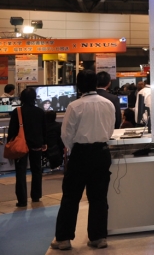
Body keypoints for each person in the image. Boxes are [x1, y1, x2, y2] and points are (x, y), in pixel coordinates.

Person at [52, 70, 116, 251]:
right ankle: (98, 237)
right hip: (102, 153)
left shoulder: (74, 106)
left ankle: (64, 239)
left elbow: (66, 135)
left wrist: (75, 148)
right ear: (96, 83)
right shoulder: (108, 104)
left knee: (71, 197)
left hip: (80, 154)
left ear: (78, 86)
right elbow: (110, 130)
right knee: (99, 197)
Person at [8, 87, 46, 207]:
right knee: (37, 170)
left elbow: (12, 130)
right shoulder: (40, 112)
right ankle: (36, 196)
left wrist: (10, 143)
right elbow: (44, 129)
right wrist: (44, 143)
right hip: (36, 145)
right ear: (34, 98)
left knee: (21, 171)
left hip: (20, 146)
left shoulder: (17, 112)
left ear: (22, 98)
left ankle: (22, 200)